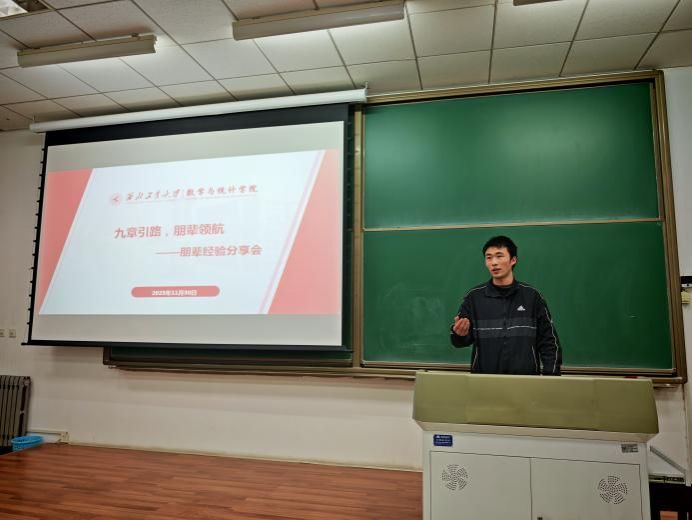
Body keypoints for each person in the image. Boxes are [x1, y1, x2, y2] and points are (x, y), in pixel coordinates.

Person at [450, 235, 562, 375]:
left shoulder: (532, 297)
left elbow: (549, 343)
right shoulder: (474, 297)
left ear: (513, 260)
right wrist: (459, 334)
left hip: (526, 382)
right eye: (489, 257)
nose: (494, 263)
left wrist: (550, 378)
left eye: (499, 256)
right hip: (484, 382)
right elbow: (459, 341)